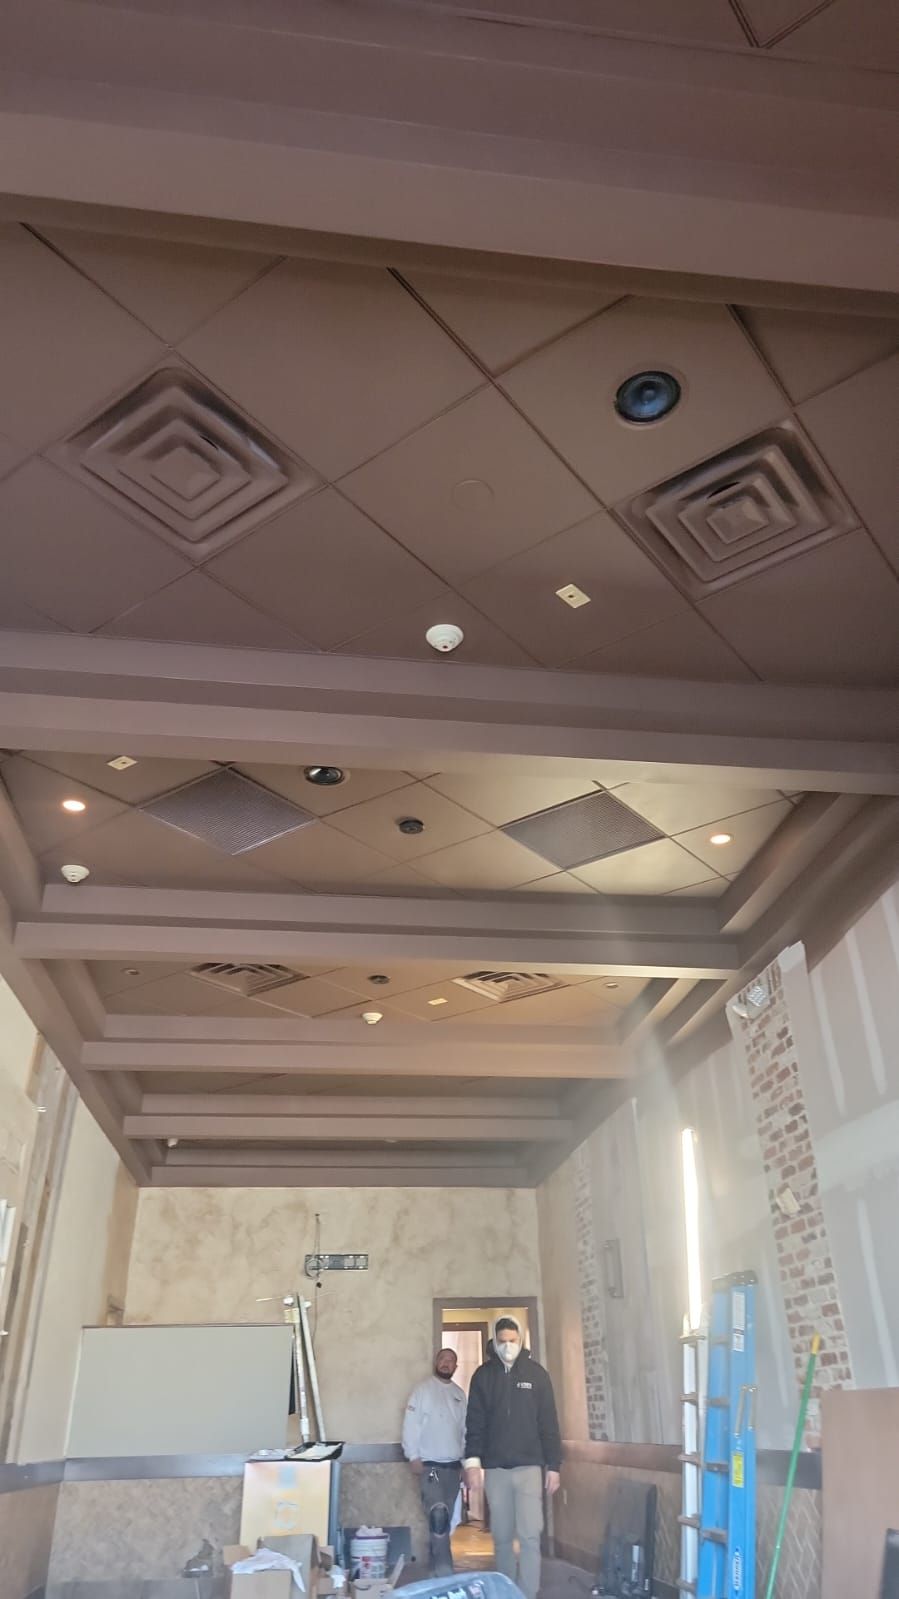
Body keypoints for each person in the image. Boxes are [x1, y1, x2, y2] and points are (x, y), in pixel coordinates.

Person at [463, 1316, 561, 1599]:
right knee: (502, 1537)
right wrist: (473, 1462)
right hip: (496, 1471)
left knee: (530, 1535)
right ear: (494, 1341)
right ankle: (506, 1591)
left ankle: (528, 1592)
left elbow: (549, 1424)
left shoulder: (537, 1375)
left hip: (530, 1468)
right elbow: (475, 1423)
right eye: (503, 1341)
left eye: (513, 1340)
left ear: (521, 1341)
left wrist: (553, 1466)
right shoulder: (483, 1376)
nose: (508, 1346)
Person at [402, 1347, 467, 1576]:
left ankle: (434, 1569)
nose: (446, 1363)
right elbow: (411, 1425)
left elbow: (465, 1432)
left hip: (453, 1467)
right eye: (443, 1359)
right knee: (438, 1515)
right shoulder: (422, 1391)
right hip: (430, 1466)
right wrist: (413, 1455)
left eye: (451, 1360)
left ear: (455, 1366)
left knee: (446, 1521)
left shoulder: (460, 1394)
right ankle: (444, 1570)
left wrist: (467, 1464)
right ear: (436, 1362)